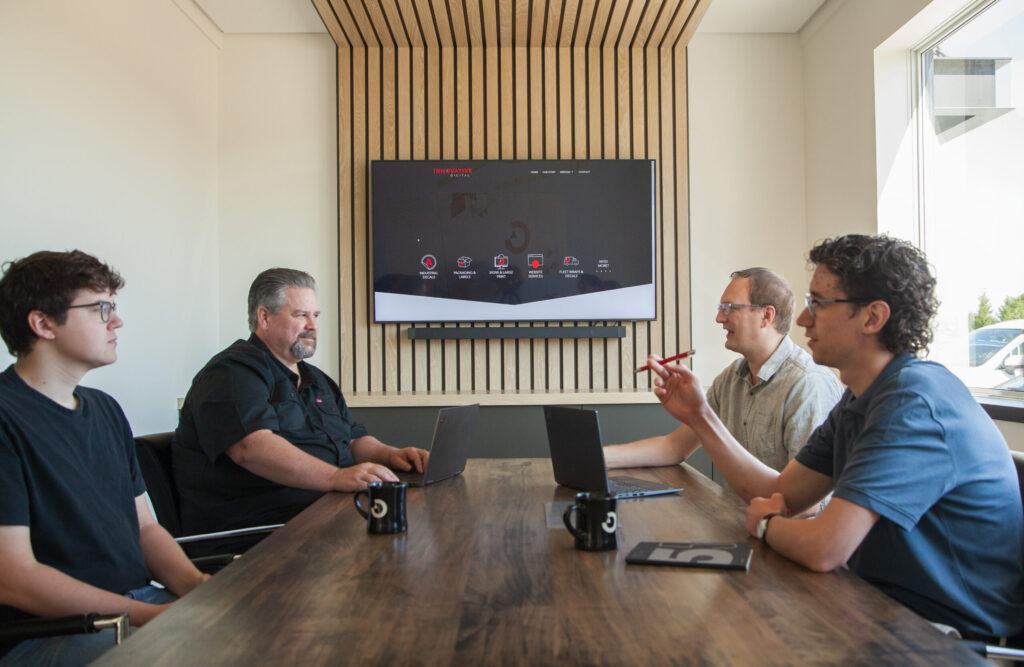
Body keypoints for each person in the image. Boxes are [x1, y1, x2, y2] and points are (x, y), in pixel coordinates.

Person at [648, 234, 1024, 639]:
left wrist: (766, 524)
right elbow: (778, 489)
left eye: (819, 305)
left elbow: (825, 547)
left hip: (947, 638)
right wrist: (700, 417)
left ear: (873, 317)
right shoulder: (859, 399)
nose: (804, 320)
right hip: (875, 610)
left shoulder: (913, 404)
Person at [0, 250, 208, 665]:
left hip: (135, 605)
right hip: (54, 631)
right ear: (42, 323)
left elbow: (145, 528)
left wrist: (199, 587)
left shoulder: (106, 409)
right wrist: (152, 617)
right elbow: (14, 578)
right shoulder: (7, 418)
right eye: (101, 309)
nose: (117, 321)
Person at [172, 268, 429, 546]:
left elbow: (352, 439)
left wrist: (391, 455)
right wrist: (336, 477)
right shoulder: (232, 373)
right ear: (264, 318)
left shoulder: (316, 379)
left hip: (327, 517)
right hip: (263, 533)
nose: (313, 325)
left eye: (316, 316)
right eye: (301, 315)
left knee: (424, 527)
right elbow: (252, 448)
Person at [604, 267, 842, 473]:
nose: (719, 318)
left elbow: (807, 505)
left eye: (729, 308)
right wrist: (599, 457)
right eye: (721, 308)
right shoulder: (730, 379)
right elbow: (674, 447)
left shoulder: (808, 385)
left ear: (766, 315)